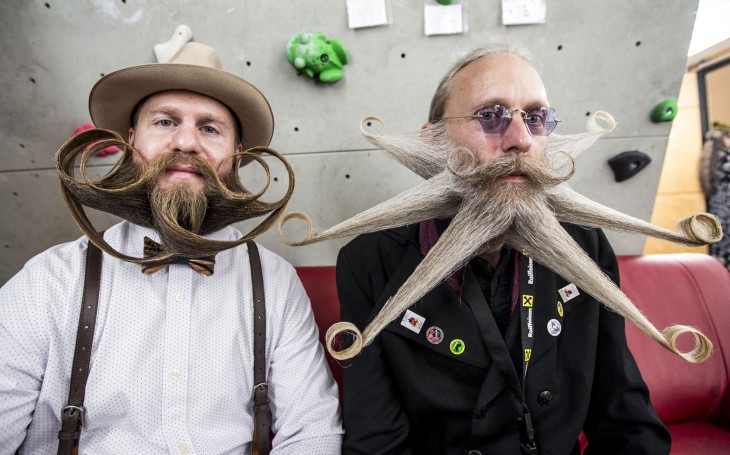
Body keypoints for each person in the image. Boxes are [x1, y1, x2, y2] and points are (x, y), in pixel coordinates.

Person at [0, 42, 343, 454]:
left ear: (236, 155)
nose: (185, 142)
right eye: (164, 122)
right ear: (131, 141)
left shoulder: (273, 281)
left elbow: (313, 432)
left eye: (209, 128)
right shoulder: (49, 281)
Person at [335, 42, 671, 454]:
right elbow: (377, 443)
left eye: (537, 118)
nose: (521, 139)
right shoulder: (369, 261)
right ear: (433, 141)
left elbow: (628, 423)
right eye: (490, 116)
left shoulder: (584, 243)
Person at [700, 123, 730, 270]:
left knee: (720, 237)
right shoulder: (727, 157)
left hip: (718, 205)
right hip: (728, 204)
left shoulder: (711, 158)